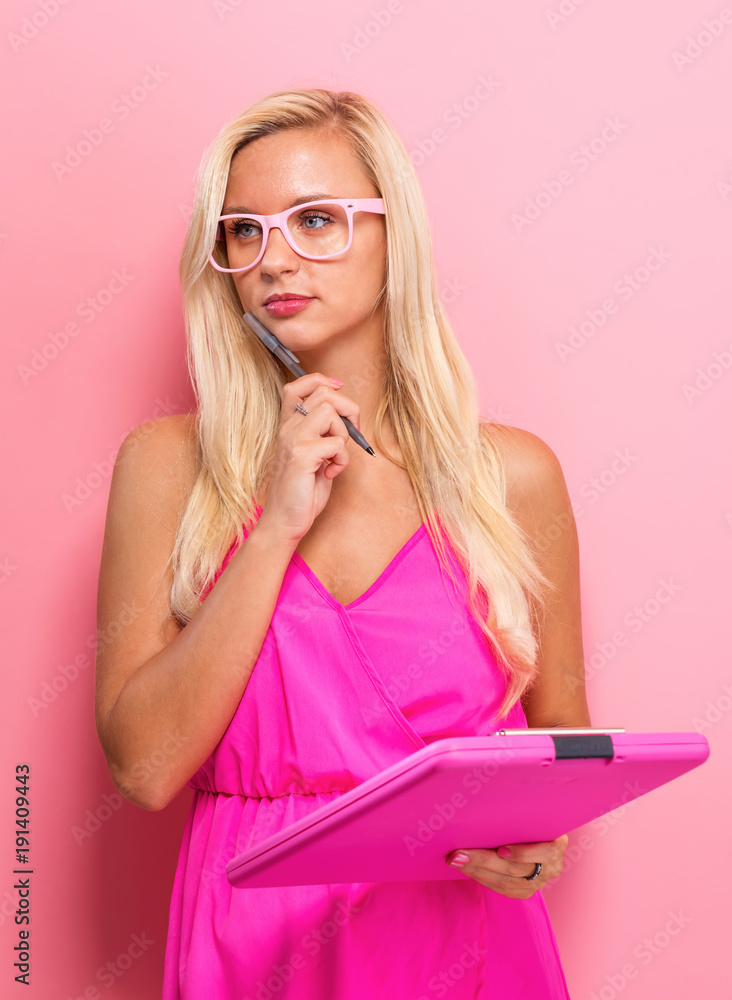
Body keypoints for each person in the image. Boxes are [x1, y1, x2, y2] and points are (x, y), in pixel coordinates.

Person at [94, 87, 590, 1000]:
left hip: (467, 942)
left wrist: (533, 843)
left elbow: (562, 743)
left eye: (315, 220)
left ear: (393, 236)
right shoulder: (168, 468)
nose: (273, 258)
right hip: (254, 944)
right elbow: (145, 769)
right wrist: (276, 522)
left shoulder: (511, 478)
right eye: (242, 232)